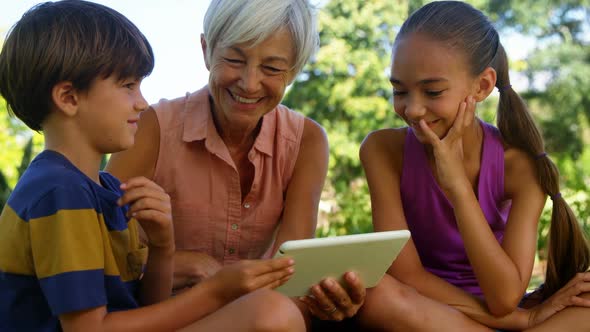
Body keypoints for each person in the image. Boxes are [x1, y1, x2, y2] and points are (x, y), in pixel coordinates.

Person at [0, 1, 304, 331]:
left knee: (268, 310)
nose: (143, 102)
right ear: (69, 98)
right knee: (271, 315)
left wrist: (162, 247)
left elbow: (147, 309)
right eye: (128, 86)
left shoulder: (107, 189)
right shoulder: (59, 192)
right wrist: (217, 291)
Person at [105, 0, 365, 327]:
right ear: (206, 50)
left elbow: (290, 270)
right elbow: (100, 255)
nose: (249, 83)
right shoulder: (152, 128)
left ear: (294, 70)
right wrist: (181, 263)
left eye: (271, 68)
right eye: (233, 59)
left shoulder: (307, 142)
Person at [356, 1, 590, 331]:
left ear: (481, 87)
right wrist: (523, 320)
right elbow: (406, 275)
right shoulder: (382, 150)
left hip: (495, 306)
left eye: (432, 91)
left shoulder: (521, 166)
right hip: (427, 308)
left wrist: (458, 188)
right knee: (376, 295)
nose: (412, 109)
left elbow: (504, 296)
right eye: (399, 90)